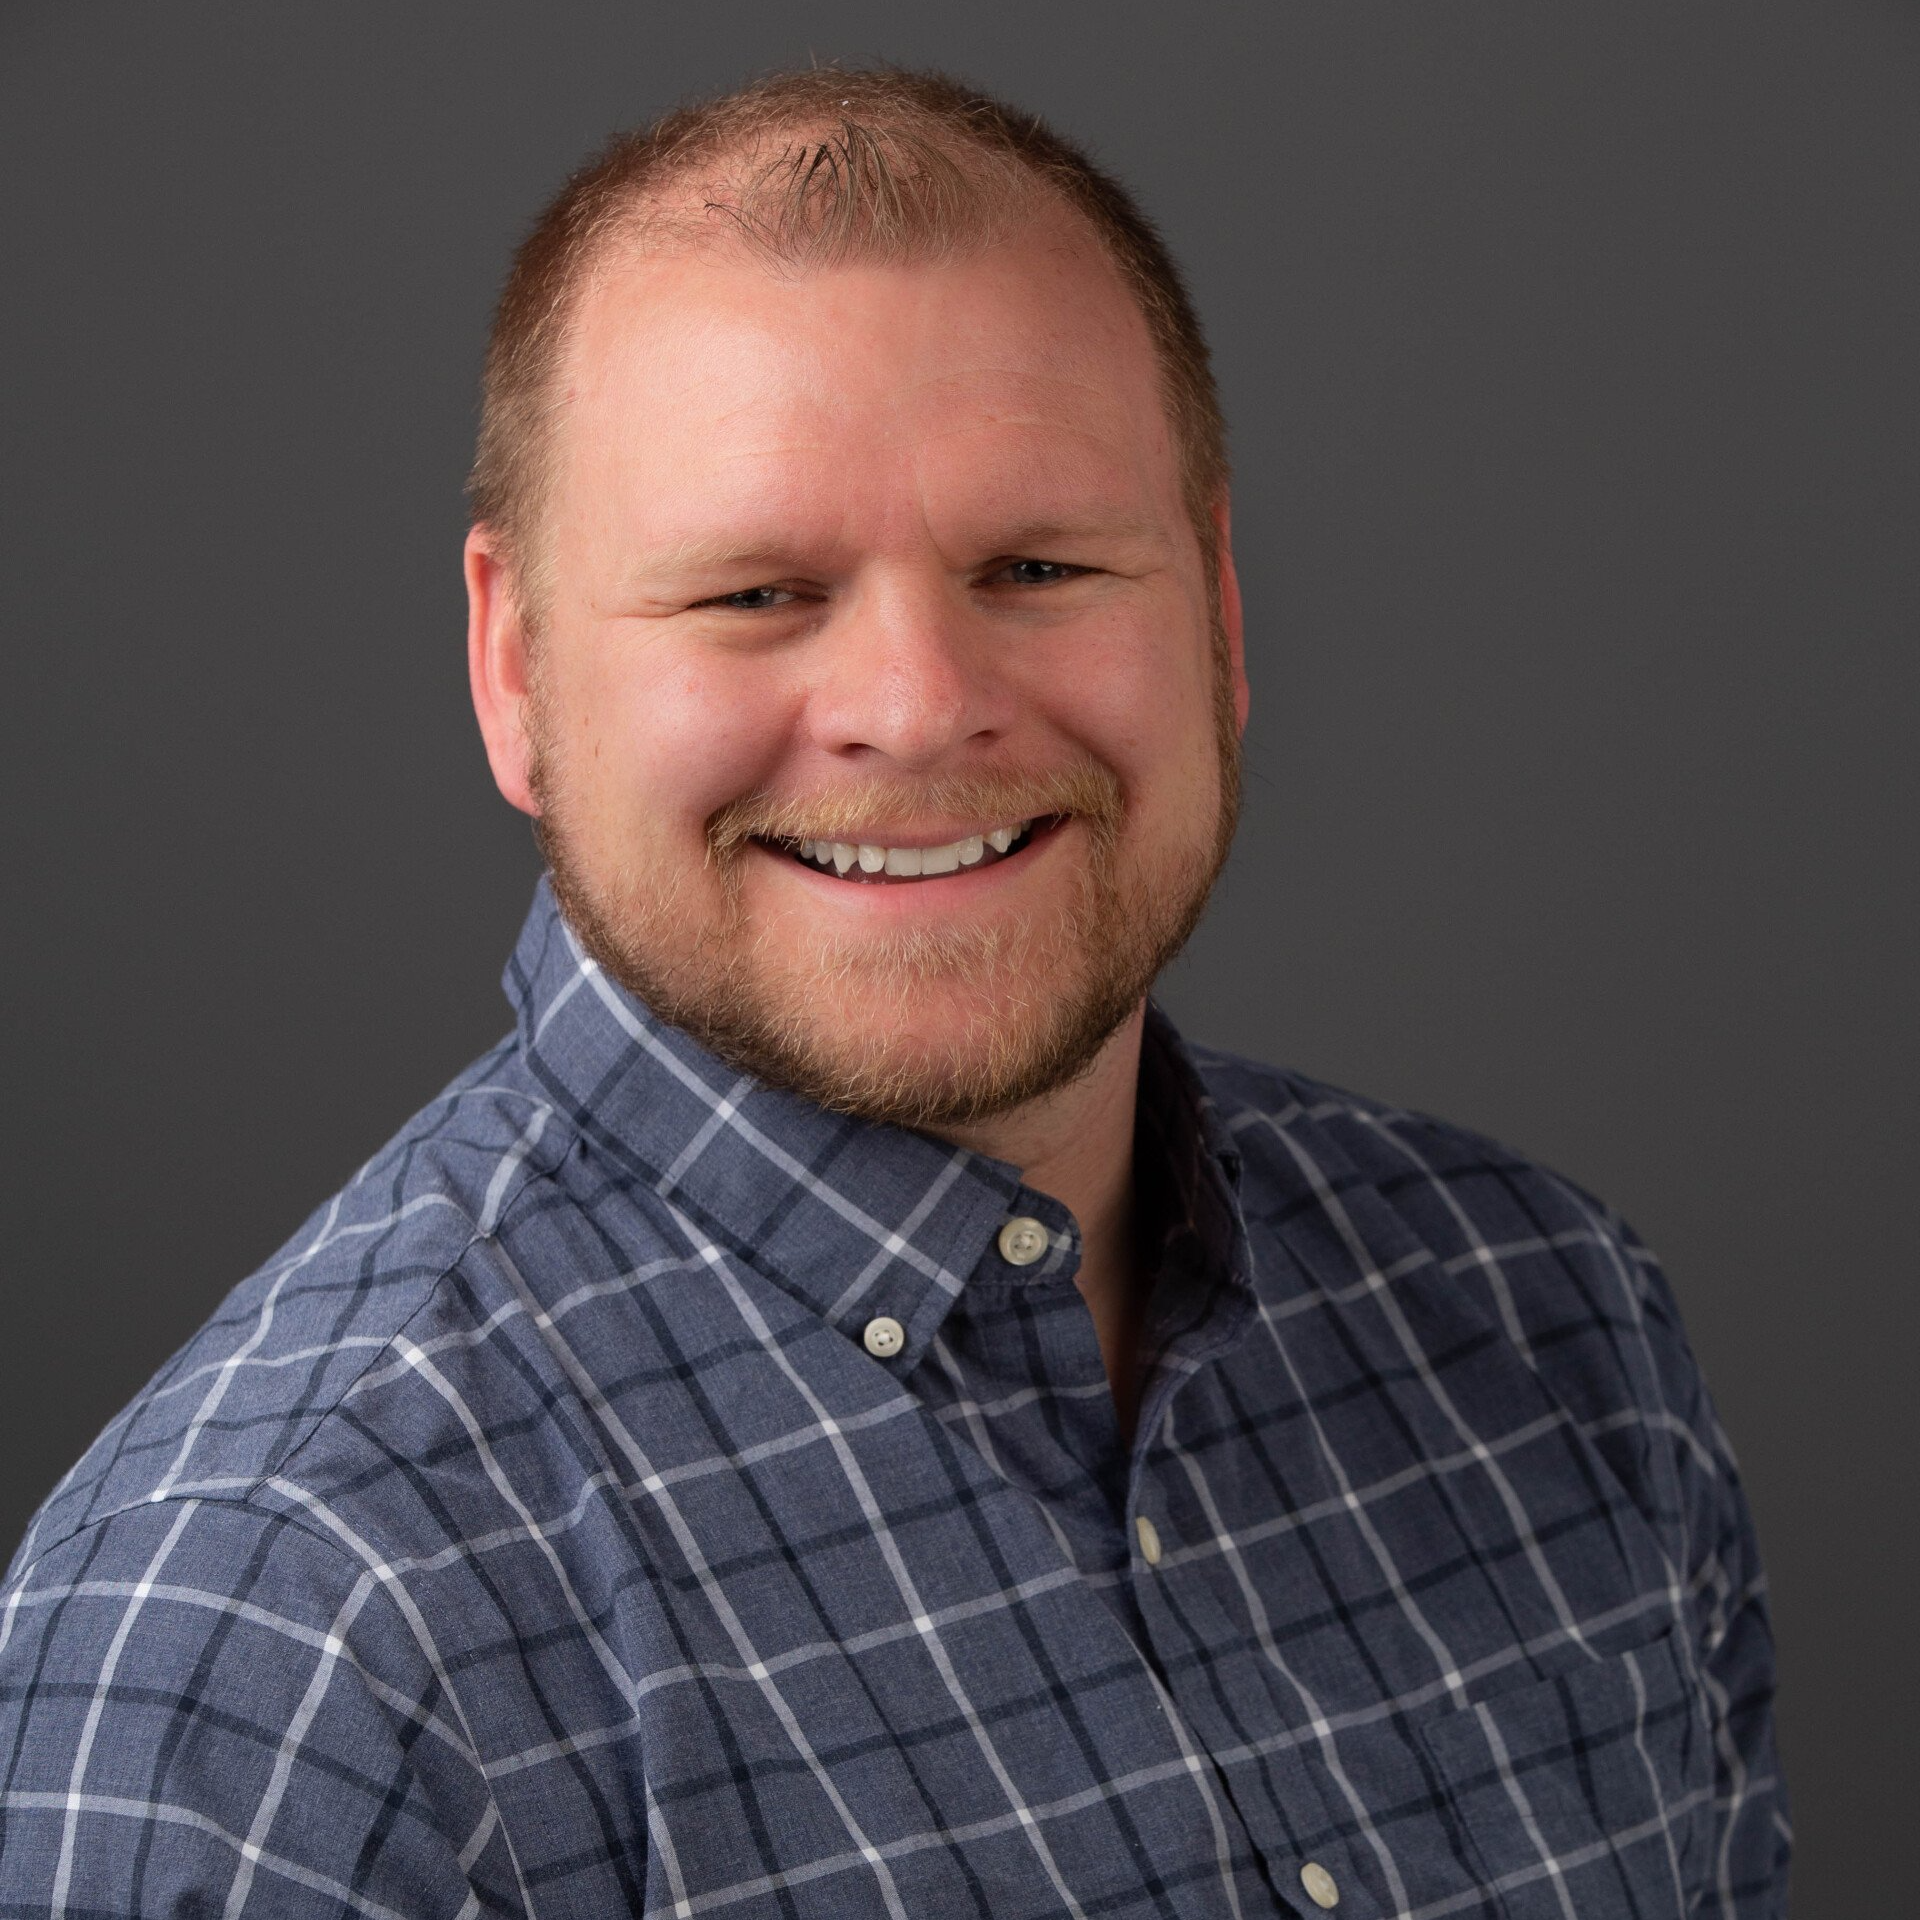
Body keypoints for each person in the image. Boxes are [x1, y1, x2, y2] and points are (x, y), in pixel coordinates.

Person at [0, 66, 1787, 1919]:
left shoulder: (1554, 1319)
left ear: (1223, 618)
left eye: (1039, 564)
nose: (923, 704)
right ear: (516, 672)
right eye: (758, 593)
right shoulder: (285, 1638)